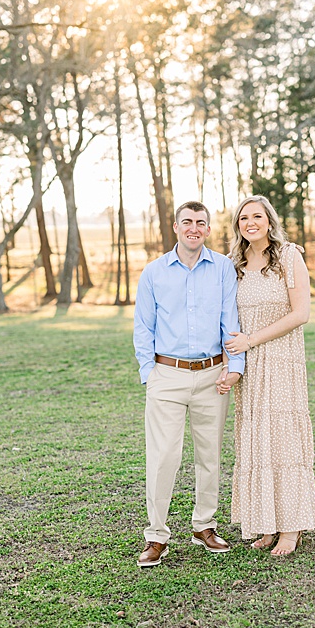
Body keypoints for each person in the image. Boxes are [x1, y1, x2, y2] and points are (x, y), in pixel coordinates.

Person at [133, 201, 245, 567]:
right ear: (176, 227)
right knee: (164, 456)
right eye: (187, 222)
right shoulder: (154, 272)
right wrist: (149, 372)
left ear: (208, 229)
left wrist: (235, 366)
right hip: (166, 375)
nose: (194, 228)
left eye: (201, 222)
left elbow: (231, 320)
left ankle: (204, 526)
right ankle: (156, 535)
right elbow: (143, 328)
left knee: (209, 455)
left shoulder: (224, 269)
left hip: (213, 375)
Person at [221, 195, 315, 558]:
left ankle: (291, 527)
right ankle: (266, 523)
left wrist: (252, 340)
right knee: (256, 441)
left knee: (283, 440)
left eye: (257, 216)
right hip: (248, 367)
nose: (250, 222)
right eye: (244, 217)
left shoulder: (289, 256)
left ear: (269, 220)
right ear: (237, 225)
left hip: (281, 360)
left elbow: (302, 313)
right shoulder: (233, 265)